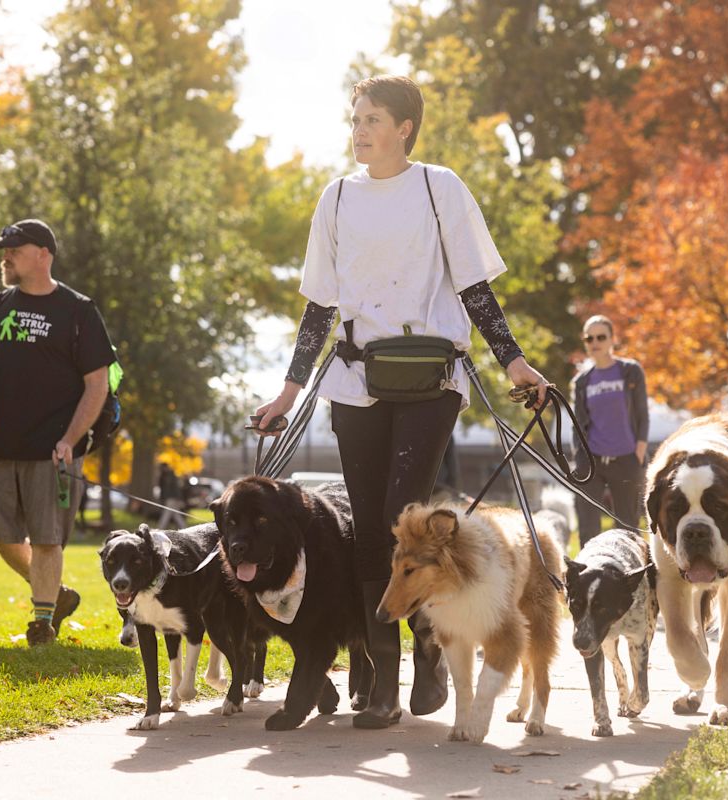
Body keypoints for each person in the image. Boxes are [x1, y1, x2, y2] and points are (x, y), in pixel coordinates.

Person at [255, 75, 549, 730]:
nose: (359, 129)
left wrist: (514, 361)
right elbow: (320, 307)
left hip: (430, 376)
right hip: (357, 379)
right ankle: (384, 683)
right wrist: (290, 389)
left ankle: (429, 648)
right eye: (355, 117)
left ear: (405, 128)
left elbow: (475, 290)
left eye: (373, 118)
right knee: (366, 526)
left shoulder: (440, 188)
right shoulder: (334, 199)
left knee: (400, 516)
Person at [0, 218, 116, 646]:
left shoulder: (78, 310)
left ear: (43, 254)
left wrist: (70, 439)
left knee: (48, 536)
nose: (5, 256)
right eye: (4, 250)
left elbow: (96, 383)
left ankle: (42, 621)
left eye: (14, 249)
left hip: (54, 450)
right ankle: (57, 594)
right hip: (1, 446)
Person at [571, 315, 649, 546]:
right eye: (589, 338)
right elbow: (578, 424)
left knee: (628, 526)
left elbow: (642, 415)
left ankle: (633, 574)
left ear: (612, 340)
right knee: (588, 525)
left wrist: (639, 454)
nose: (595, 342)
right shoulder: (582, 381)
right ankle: (587, 573)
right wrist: (580, 458)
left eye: (601, 337)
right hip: (592, 460)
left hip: (626, 458)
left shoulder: (630, 371)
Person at [156, 462, 184, 529]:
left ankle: (160, 528)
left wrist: (178, 498)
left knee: (167, 513)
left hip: (171, 497)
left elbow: (173, 488)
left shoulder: (169, 476)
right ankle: (183, 527)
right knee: (175, 514)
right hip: (171, 497)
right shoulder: (166, 475)